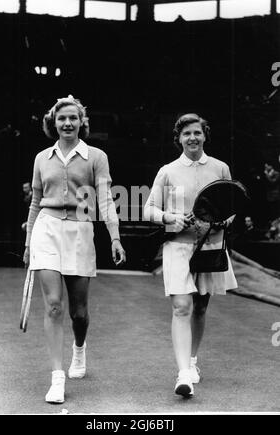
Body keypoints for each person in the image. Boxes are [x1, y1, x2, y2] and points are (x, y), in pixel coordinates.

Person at [23, 95, 126, 404]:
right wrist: (28, 242)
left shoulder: (96, 156)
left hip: (81, 231)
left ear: (82, 122)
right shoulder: (42, 157)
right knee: (53, 305)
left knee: (78, 312)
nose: (67, 123)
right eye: (61, 118)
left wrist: (114, 237)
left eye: (73, 118)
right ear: (53, 123)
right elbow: (35, 201)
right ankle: (57, 378)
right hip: (47, 230)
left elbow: (106, 199)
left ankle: (79, 349)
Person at [144, 113, 237, 398]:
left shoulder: (221, 168)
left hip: (210, 247)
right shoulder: (167, 171)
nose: (192, 138)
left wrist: (225, 221)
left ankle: (193, 360)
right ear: (179, 138)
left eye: (197, 132)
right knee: (181, 307)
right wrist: (170, 217)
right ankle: (183, 373)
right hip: (179, 247)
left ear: (205, 135)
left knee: (199, 307)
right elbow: (148, 210)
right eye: (186, 134)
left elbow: (231, 207)